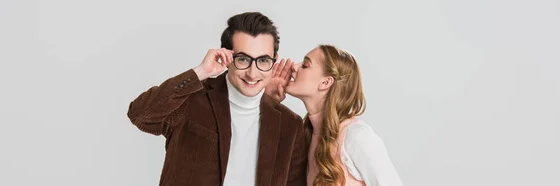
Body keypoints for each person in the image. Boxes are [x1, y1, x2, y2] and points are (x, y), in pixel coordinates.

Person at [127, 12, 307, 186]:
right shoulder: (191, 100)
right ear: (227, 56)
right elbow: (140, 115)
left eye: (263, 60)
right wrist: (200, 72)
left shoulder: (290, 124)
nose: (253, 73)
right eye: (243, 59)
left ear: (274, 59)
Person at [266, 44, 403, 186]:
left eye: (305, 65)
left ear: (325, 82)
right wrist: (268, 101)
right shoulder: (306, 135)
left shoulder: (356, 136)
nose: (294, 67)